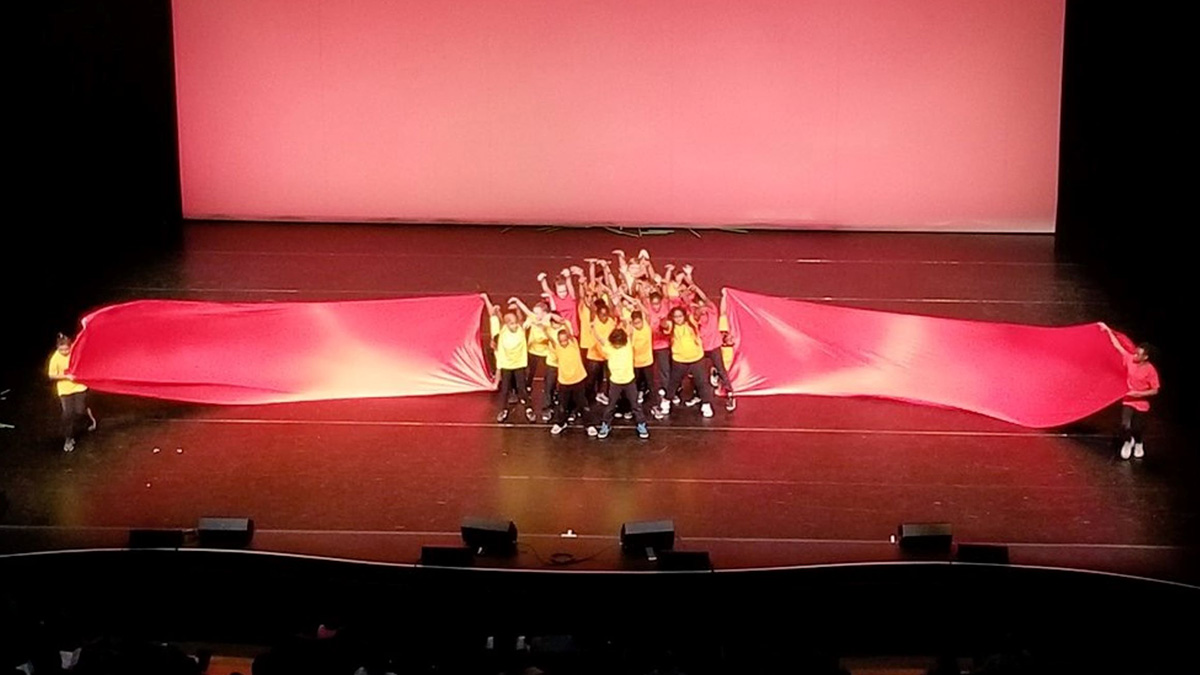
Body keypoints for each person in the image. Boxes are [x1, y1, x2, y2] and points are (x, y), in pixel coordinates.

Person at [1102, 324, 1160, 459]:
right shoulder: (1130, 360)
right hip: (1128, 400)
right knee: (1125, 425)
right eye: (1135, 352)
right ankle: (1128, 442)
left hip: (1141, 403)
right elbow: (1118, 347)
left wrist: (1139, 394)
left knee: (1137, 428)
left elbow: (1155, 390)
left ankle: (1138, 442)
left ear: (1145, 357)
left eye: (1138, 354)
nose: (1134, 355)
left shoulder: (1150, 370)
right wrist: (1107, 331)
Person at [591, 320, 650, 439]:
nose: (617, 345)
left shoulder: (627, 345)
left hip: (629, 381)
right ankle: (606, 424)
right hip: (615, 382)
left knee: (635, 405)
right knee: (611, 406)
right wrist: (593, 329)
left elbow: (630, 332)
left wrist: (628, 323)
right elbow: (600, 339)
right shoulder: (610, 347)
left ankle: (641, 424)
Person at [483, 294, 536, 423]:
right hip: (506, 365)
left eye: (515, 322)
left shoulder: (521, 330)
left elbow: (525, 317)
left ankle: (529, 409)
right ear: (507, 324)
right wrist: (497, 311)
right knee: (505, 390)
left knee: (522, 389)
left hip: (519, 364)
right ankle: (503, 410)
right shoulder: (502, 332)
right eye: (511, 323)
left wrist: (517, 305)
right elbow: (497, 319)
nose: (514, 325)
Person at [659, 306, 715, 418]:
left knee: (702, 383)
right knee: (673, 383)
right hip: (679, 360)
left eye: (680, 316)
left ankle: (706, 405)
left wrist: (700, 309)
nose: (678, 319)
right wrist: (665, 319)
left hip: (696, 358)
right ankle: (666, 402)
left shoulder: (691, 322)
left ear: (684, 316)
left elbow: (697, 314)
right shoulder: (671, 326)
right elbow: (664, 325)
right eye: (676, 317)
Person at [547, 320, 597, 437]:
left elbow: (569, 333)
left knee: (583, 405)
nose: (564, 342)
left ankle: (589, 425)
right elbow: (550, 338)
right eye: (561, 341)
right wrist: (544, 328)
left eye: (565, 340)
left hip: (578, 380)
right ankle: (560, 423)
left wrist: (564, 323)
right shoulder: (557, 347)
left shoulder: (573, 344)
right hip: (564, 382)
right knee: (562, 405)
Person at [47, 333, 96, 452]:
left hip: (79, 386)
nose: (64, 352)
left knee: (79, 411)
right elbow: (51, 375)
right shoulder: (55, 358)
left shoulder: (76, 352)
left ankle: (87, 415)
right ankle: (68, 439)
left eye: (66, 349)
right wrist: (66, 376)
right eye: (61, 350)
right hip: (65, 389)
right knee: (68, 414)